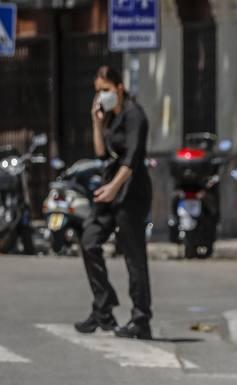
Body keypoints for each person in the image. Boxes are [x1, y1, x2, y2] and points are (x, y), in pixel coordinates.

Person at [74, 66, 153, 340]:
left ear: (119, 88)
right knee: (89, 241)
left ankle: (141, 319)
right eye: (98, 91)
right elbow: (100, 152)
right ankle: (103, 308)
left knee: (133, 256)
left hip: (131, 190)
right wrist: (96, 122)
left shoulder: (135, 115)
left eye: (105, 90)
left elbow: (132, 159)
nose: (101, 96)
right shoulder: (112, 117)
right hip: (110, 188)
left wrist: (113, 188)